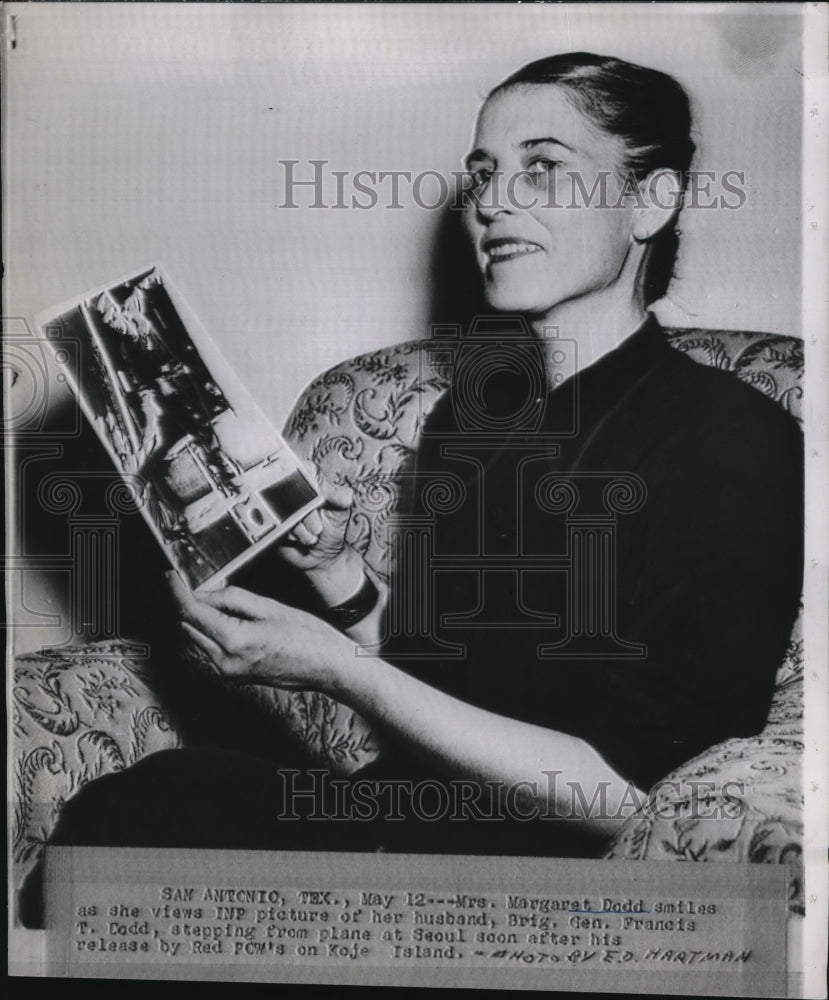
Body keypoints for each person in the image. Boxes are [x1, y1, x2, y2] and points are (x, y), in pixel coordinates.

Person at [37, 53, 803, 867]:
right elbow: (446, 677)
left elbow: (632, 799)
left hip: (552, 878)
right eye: (484, 174)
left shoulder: (734, 439)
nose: (493, 204)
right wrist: (340, 577)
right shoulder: (467, 424)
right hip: (408, 819)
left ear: (649, 202)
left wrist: (341, 672)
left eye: (543, 168)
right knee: (151, 801)